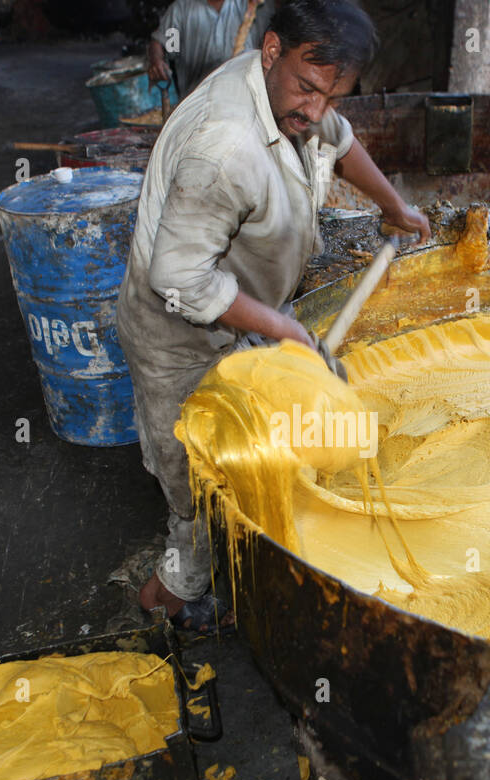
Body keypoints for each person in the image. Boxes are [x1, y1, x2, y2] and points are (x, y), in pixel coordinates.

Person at [117, 0, 430, 632]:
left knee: (254, 451)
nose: (315, 109)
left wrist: (395, 207)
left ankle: (231, 556)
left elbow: (338, 142)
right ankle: (165, 603)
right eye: (309, 89)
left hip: (242, 311)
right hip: (178, 337)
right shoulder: (226, 147)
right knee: (200, 485)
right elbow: (177, 280)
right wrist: (284, 328)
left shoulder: (292, 94)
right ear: (271, 49)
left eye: (332, 94)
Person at [147, 0, 274, 100]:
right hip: (196, 107)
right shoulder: (181, 10)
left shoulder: (251, 6)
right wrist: (157, 60)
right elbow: (163, 45)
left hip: (244, 102)